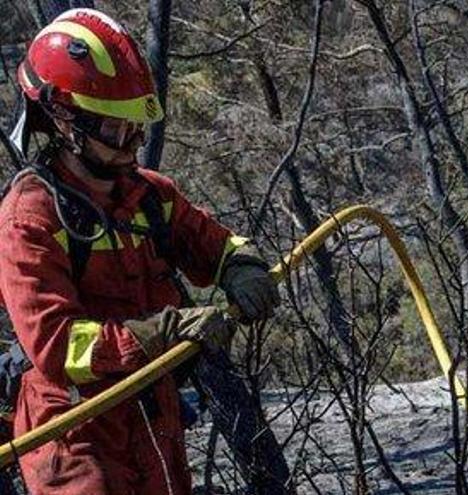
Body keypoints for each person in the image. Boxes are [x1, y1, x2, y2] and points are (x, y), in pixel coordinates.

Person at [0, 8, 280, 494]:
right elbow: (59, 346)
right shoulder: (29, 218)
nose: (132, 142)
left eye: (137, 125)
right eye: (115, 128)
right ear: (64, 119)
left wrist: (242, 266)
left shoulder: (151, 196)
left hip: (156, 421)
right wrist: (162, 332)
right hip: (75, 433)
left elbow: (215, 244)